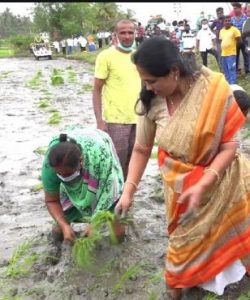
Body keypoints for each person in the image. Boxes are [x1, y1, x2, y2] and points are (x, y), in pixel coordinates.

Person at [115, 37, 250, 300]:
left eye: (152, 80)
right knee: (178, 261)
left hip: (226, 184)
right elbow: (142, 150)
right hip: (181, 194)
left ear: (174, 71)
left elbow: (229, 145)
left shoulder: (213, 90)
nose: (148, 87)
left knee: (239, 239)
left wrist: (204, 182)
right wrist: (128, 191)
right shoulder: (150, 103)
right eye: (144, 81)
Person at [41, 127, 125, 243]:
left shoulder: (100, 158)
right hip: (75, 153)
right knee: (60, 224)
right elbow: (52, 200)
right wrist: (64, 225)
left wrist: (95, 223)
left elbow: (109, 193)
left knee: (114, 217)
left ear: (81, 161)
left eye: (67, 174)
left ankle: (120, 252)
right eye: (59, 174)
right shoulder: (50, 166)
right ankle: (56, 251)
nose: (63, 177)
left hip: (98, 153)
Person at [92, 19, 141, 179]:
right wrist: (100, 121)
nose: (127, 36)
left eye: (130, 32)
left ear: (135, 33)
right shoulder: (106, 56)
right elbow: (97, 89)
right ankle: (113, 196)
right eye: (123, 33)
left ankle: (126, 195)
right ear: (116, 35)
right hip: (116, 120)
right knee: (116, 162)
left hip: (139, 118)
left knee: (134, 161)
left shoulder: (140, 55)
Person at [219, 15, 241, 84]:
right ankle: (228, 85)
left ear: (231, 21)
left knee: (231, 70)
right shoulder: (221, 31)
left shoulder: (234, 30)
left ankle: (233, 85)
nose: (227, 22)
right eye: (226, 21)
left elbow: (239, 41)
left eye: (229, 21)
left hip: (231, 54)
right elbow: (221, 41)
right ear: (223, 22)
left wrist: (234, 49)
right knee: (226, 71)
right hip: (223, 54)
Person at [231, 2, 249, 74]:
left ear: (240, 8)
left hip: (245, 40)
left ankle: (247, 69)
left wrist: (244, 34)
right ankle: (237, 70)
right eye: (233, 8)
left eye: (235, 8)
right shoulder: (232, 19)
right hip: (236, 40)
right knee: (236, 55)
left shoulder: (246, 18)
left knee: (246, 54)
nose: (234, 10)